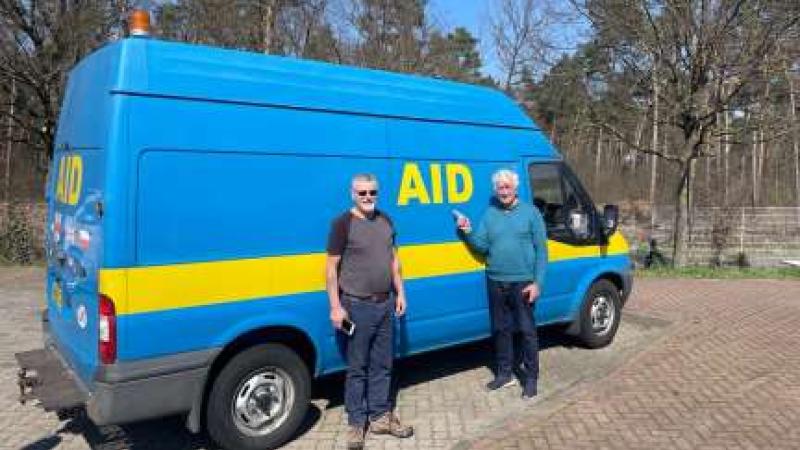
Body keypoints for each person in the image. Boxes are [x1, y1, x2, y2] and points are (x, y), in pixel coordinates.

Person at [325, 173, 414, 450]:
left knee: (383, 365)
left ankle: (379, 417)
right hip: (356, 306)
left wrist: (401, 292)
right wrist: (336, 306)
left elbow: (394, 260)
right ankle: (355, 424)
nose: (367, 197)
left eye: (372, 192)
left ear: (378, 192)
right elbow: (330, 269)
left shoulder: (386, 221)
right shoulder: (343, 224)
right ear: (353, 193)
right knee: (357, 368)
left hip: (385, 303)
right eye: (362, 193)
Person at [456, 169, 548, 399]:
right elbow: (482, 246)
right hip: (495, 280)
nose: (504, 191)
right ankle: (505, 374)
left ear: (515, 188)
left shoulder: (531, 213)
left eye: (507, 187)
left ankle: (531, 378)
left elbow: (542, 251)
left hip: (523, 283)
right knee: (501, 330)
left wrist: (538, 283)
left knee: (527, 332)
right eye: (500, 187)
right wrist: (467, 231)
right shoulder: (490, 214)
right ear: (495, 190)